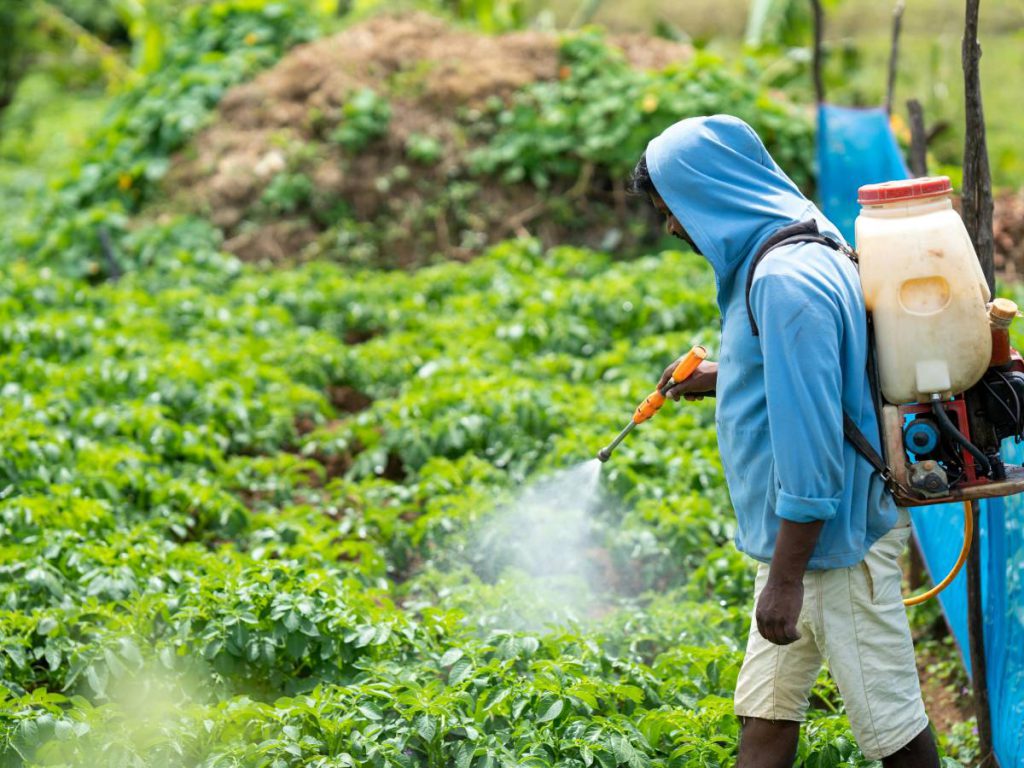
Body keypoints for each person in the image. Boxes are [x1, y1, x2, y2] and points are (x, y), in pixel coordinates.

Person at [631, 115, 939, 768]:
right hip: (806, 547)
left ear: (712, 194)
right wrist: (729, 374)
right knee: (766, 709)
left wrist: (786, 578)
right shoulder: (804, 234)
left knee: (896, 734)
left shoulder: (780, 284)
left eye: (673, 210)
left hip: (830, 551)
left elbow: (812, 439)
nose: (673, 228)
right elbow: (821, 366)